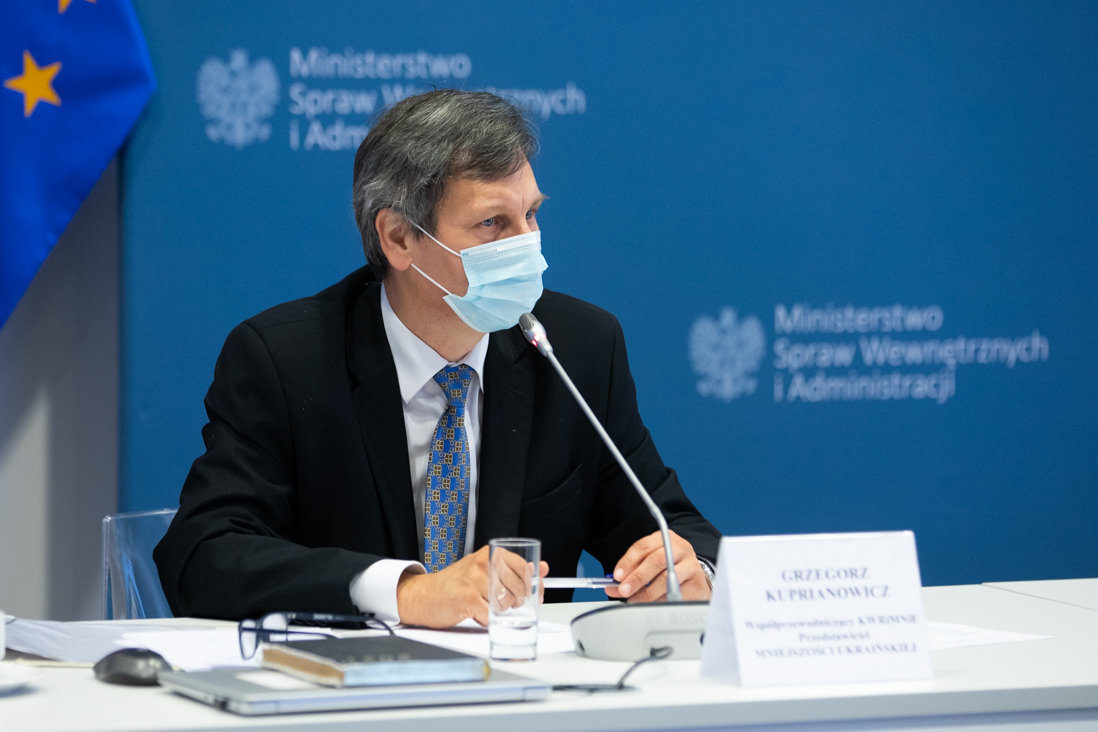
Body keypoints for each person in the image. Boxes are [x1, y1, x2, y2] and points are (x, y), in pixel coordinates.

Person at [154, 90, 721, 627]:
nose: (526, 244)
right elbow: (202, 558)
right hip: (344, 683)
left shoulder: (575, 348)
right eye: (492, 223)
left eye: (531, 215)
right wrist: (406, 593)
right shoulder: (285, 361)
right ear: (399, 238)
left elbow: (678, 528)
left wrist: (693, 571)